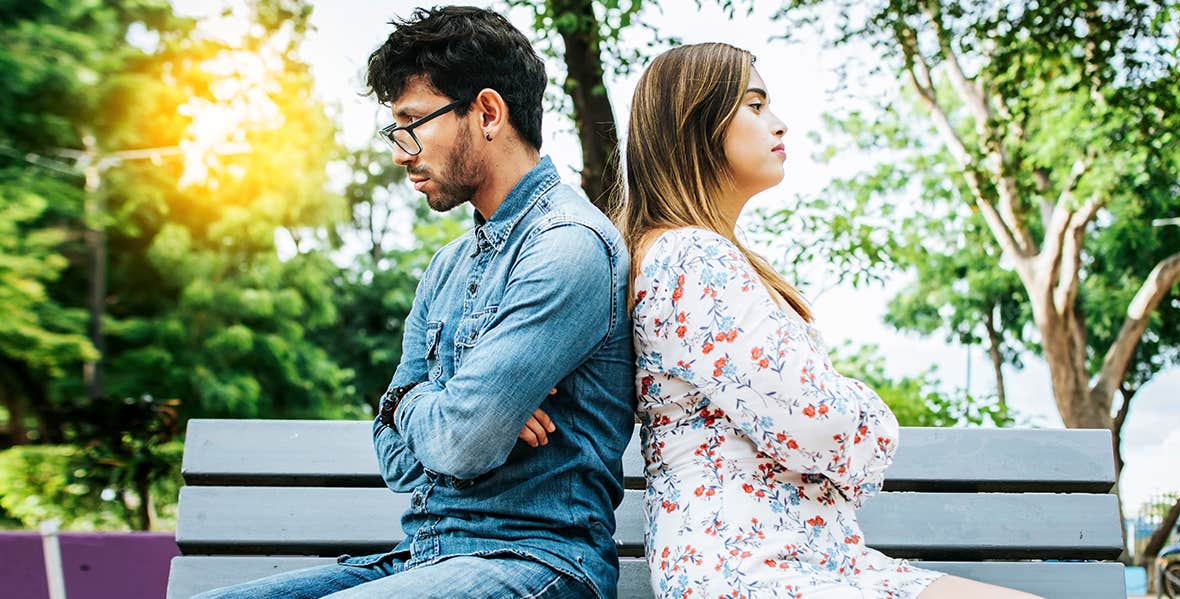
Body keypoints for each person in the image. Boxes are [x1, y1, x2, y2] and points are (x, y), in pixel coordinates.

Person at [194, 7, 634, 598]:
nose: (401, 152)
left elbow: (462, 443)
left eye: (412, 123)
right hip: (421, 559)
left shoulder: (567, 249)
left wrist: (440, 406)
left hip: (538, 564)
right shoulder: (447, 268)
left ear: (487, 113)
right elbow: (397, 461)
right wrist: (440, 399)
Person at [617, 42, 1042, 599]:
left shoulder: (688, 255)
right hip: (756, 569)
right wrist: (871, 419)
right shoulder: (692, 258)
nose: (779, 123)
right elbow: (818, 419)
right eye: (754, 105)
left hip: (806, 559)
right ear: (698, 122)